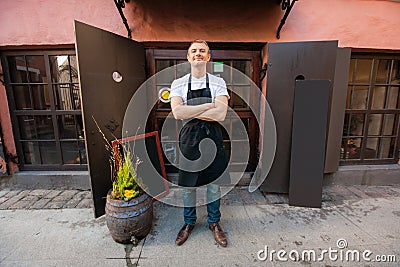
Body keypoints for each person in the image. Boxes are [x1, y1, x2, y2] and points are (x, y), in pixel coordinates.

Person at [169, 40, 231, 247]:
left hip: (213, 137)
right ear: (188, 57)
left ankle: (214, 222)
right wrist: (207, 105)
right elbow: (178, 113)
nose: (198, 54)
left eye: (202, 51)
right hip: (189, 139)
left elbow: (221, 114)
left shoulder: (217, 82)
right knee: (188, 186)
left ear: (208, 57)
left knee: (213, 185)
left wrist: (191, 108)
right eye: (194, 51)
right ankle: (189, 222)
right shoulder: (178, 83)